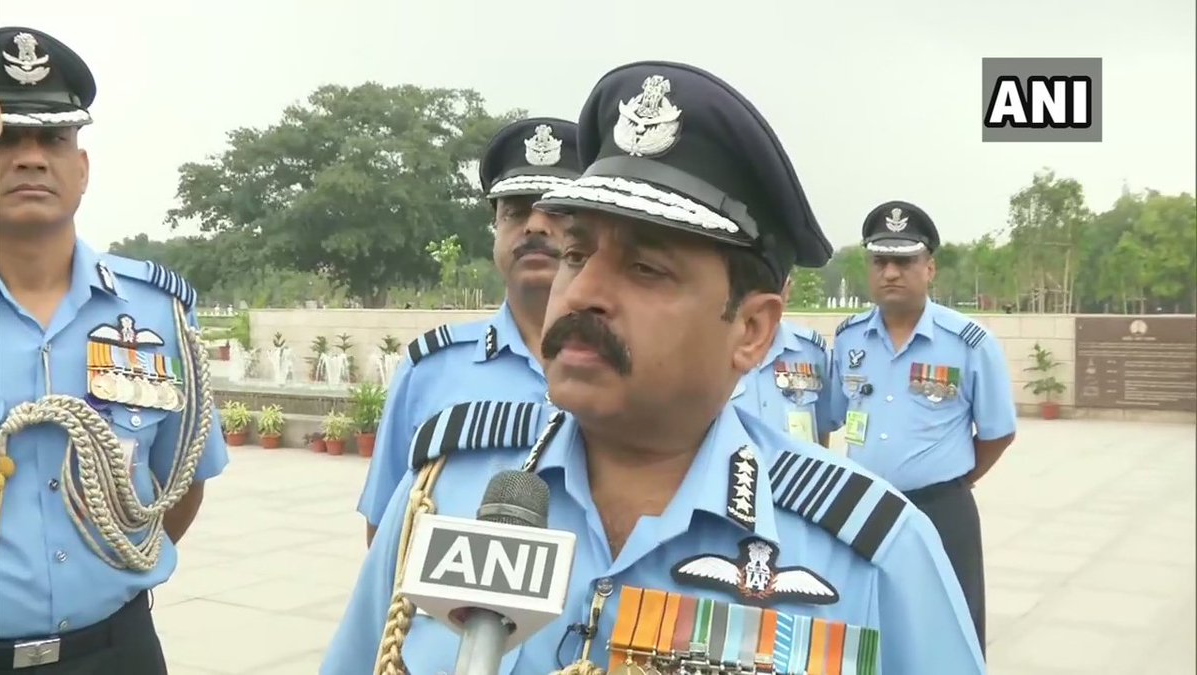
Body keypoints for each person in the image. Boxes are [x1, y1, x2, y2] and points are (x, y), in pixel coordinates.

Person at [322, 61, 985, 675]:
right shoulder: (447, 488)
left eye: (645, 268)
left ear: (751, 329)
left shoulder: (872, 555)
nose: (580, 293)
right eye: (576, 254)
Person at [0, 26, 228, 674]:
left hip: (115, 651)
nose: (31, 157)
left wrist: (114, 561)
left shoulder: (156, 312)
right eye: (7, 138)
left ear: (82, 168)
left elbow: (178, 484)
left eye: (53, 138)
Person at [356, 117, 581, 546]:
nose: (534, 226)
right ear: (496, 231)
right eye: (514, 211)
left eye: (557, 209)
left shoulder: (632, 367)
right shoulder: (431, 369)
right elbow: (386, 532)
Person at [827, 200, 1018, 654]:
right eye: (880, 261)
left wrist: (954, 479)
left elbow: (998, 431)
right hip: (864, 506)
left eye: (904, 260)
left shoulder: (969, 343)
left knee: (951, 626)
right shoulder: (850, 337)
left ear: (929, 269)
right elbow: (832, 414)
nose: (890, 272)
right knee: (867, 624)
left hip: (941, 510)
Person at [732, 276, 836, 447]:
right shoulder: (717, 349)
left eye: (775, 286)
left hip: (797, 471)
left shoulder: (811, 350)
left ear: (788, 289)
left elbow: (823, 427)